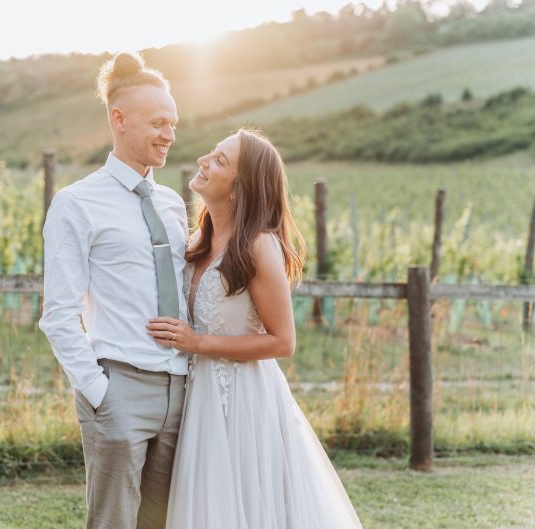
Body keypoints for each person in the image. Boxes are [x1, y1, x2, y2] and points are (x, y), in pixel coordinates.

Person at [148, 129, 364, 528]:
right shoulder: (197, 241)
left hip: (244, 399)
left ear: (239, 189)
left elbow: (283, 341)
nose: (203, 161)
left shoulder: (258, 245)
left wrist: (198, 342)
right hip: (198, 396)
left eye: (220, 160)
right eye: (211, 153)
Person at [39, 51, 189, 529]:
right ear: (118, 119)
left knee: (166, 521)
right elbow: (58, 313)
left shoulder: (172, 204)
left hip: (183, 389)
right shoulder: (76, 203)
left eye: (173, 123)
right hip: (119, 386)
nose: (169, 134)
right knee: (113, 523)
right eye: (158, 122)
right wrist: (101, 392)